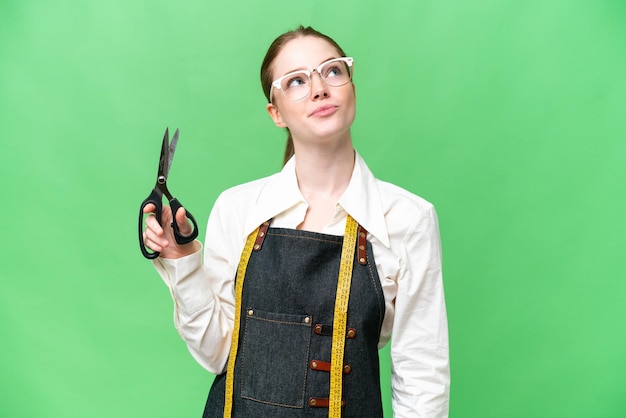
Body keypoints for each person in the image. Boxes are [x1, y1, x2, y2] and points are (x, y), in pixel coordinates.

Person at [142, 25, 450, 417]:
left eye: (333, 71)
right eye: (296, 81)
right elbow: (219, 353)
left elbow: (422, 376)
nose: (320, 88)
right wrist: (184, 261)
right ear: (276, 113)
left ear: (352, 87)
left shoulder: (408, 218)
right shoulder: (238, 208)